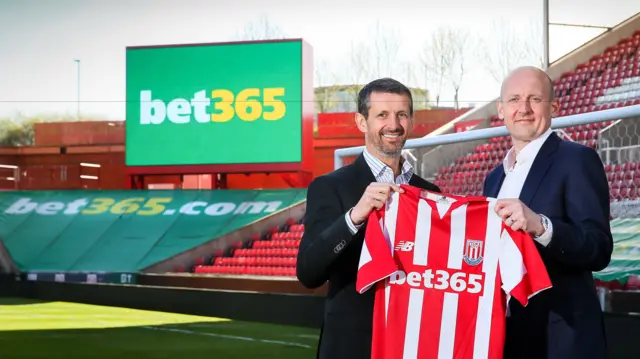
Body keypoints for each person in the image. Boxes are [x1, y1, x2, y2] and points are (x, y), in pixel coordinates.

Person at [296, 77, 440, 359]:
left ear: (411, 120)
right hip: (353, 347)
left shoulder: (430, 193)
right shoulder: (330, 187)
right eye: (382, 115)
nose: (393, 124)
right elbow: (308, 272)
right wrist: (353, 218)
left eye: (401, 114)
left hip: (414, 344)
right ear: (362, 122)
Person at [483, 66, 613, 359]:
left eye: (534, 99)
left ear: (554, 106)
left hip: (561, 338)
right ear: (501, 110)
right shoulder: (494, 177)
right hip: (506, 336)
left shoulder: (577, 159)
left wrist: (542, 227)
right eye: (514, 100)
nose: (524, 108)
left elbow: (598, 248)